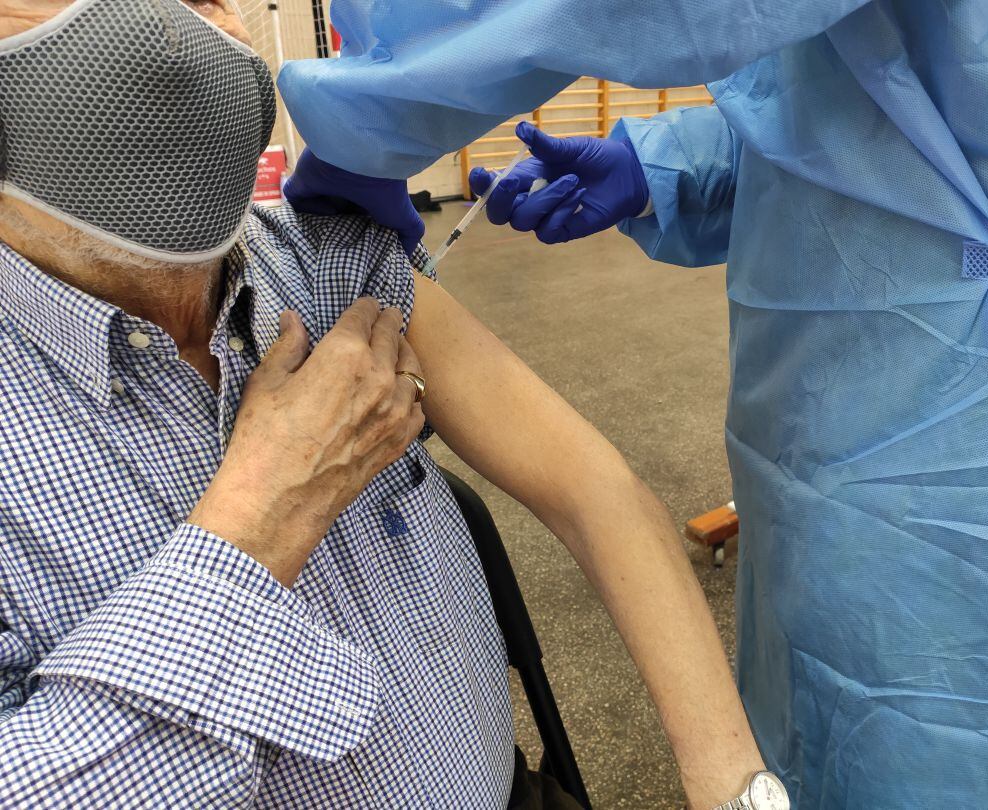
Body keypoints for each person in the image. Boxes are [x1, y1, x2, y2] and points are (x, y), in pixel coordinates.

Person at [280, 0, 988, 806]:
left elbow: (597, 494)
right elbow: (853, 93)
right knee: (814, 694)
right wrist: (657, 163)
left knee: (961, 731)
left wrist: (368, 114)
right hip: (836, 411)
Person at [0, 1, 775, 808]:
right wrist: (262, 520)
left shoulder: (322, 257)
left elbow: (594, 493)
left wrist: (735, 785)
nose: (190, 27)